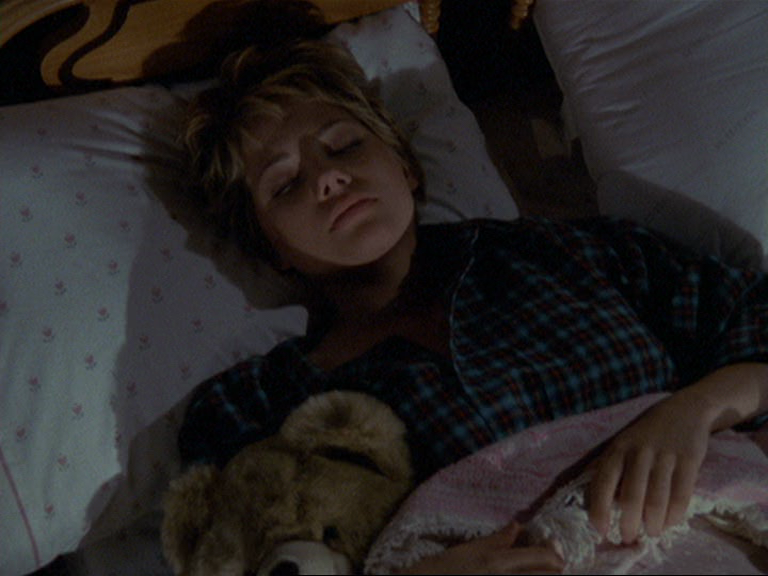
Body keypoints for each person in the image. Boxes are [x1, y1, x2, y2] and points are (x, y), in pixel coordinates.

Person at [177, 38, 768, 574]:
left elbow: (752, 314)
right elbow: (240, 554)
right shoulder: (262, 406)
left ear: (405, 165)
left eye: (344, 145)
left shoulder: (571, 253)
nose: (328, 178)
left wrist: (694, 411)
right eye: (285, 185)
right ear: (271, 249)